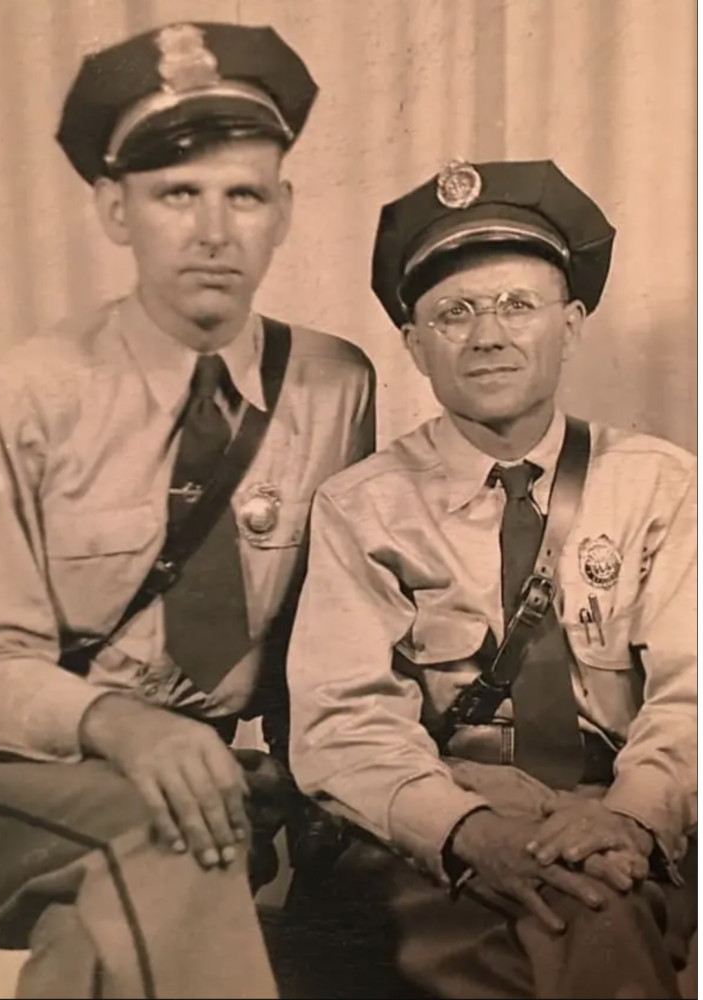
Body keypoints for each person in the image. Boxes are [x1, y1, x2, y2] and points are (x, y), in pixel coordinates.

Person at [0, 21, 376, 1000]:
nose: (212, 232)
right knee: (172, 847)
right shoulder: (30, 392)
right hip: (3, 765)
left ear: (283, 211)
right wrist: (122, 726)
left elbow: (331, 628)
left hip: (194, 777)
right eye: (175, 195)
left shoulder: (333, 384)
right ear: (116, 210)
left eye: (244, 195)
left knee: (99, 944)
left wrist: (308, 776)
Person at [285, 158, 697, 999]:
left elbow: (692, 693)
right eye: (454, 313)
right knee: (580, 919)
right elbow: (342, 720)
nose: (487, 336)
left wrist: (628, 816)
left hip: (618, 811)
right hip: (438, 821)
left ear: (570, 325)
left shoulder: (662, 487)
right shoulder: (362, 507)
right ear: (414, 345)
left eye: (517, 305)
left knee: (596, 905)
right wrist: (465, 830)